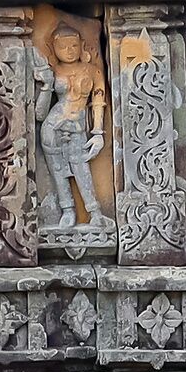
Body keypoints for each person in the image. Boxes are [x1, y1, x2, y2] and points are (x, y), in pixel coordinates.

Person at [33, 22, 110, 227]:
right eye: (63, 47)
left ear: (82, 45)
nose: (69, 51)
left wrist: (98, 133)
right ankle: (67, 210)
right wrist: (46, 85)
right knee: (57, 170)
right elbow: (40, 115)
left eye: (74, 46)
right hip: (52, 127)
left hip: (77, 126)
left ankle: (94, 212)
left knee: (81, 168)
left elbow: (98, 101)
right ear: (53, 49)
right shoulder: (53, 71)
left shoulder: (93, 71)